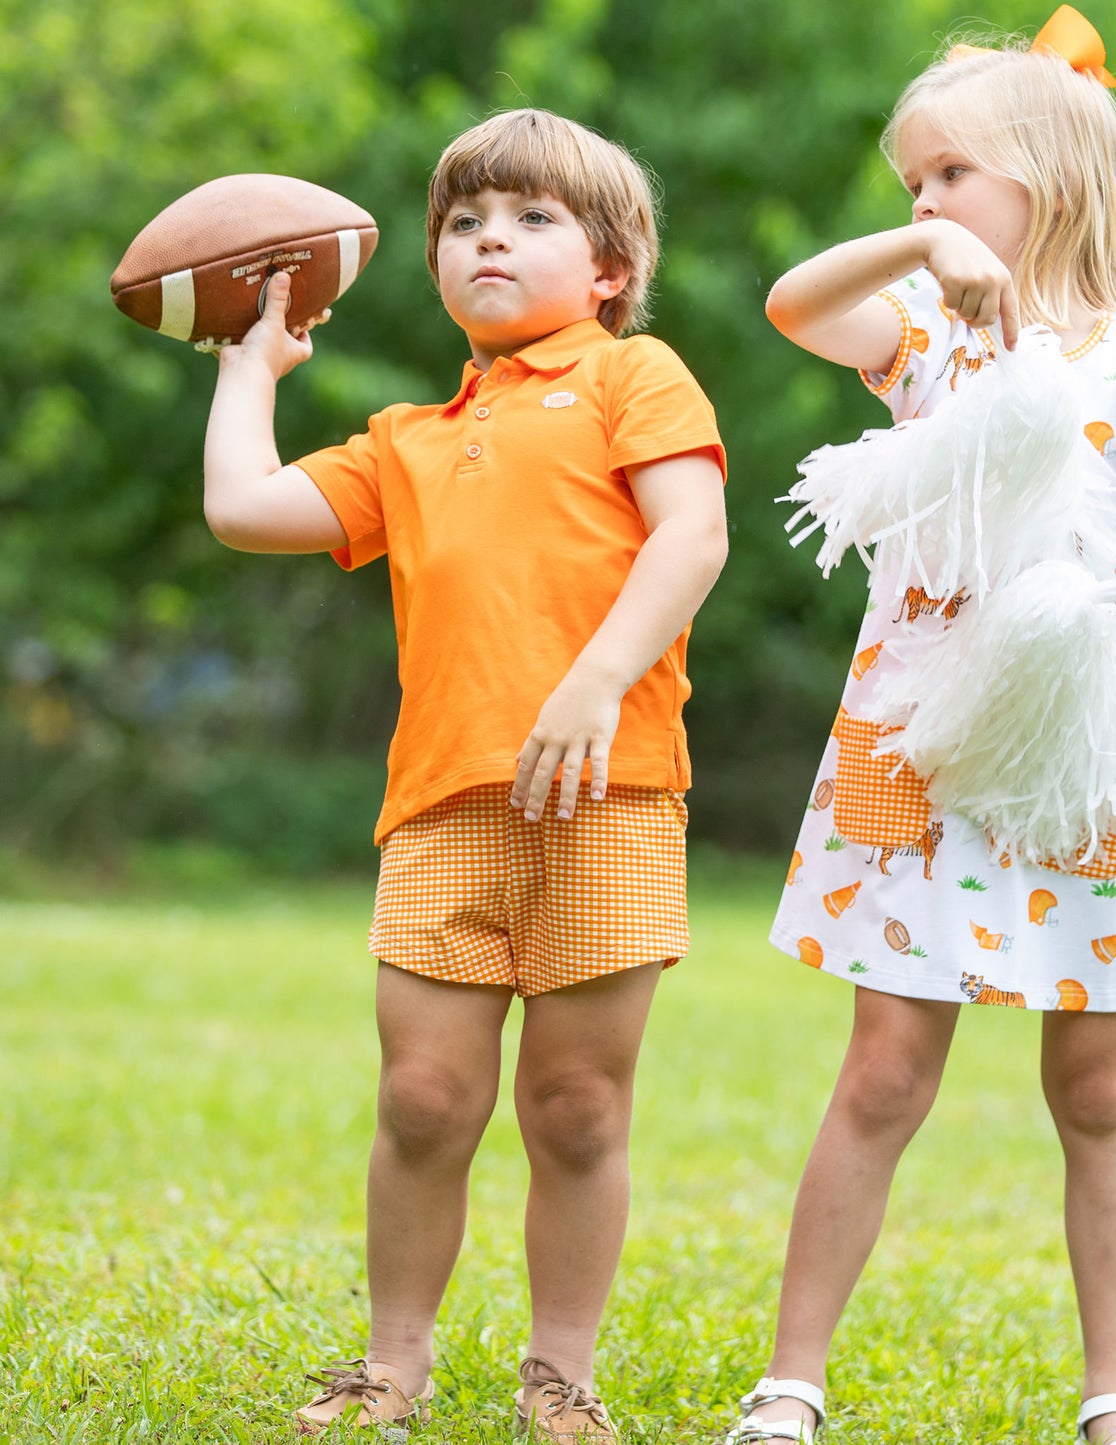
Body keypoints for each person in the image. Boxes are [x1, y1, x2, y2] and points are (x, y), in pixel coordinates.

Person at [731, 9, 1116, 1445]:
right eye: (910, 184)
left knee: (1096, 1079)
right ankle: (790, 1381)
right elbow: (793, 305)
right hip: (919, 738)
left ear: (1047, 181)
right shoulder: (926, 345)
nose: (923, 203)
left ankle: (1113, 1395)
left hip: (1088, 751)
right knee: (883, 1065)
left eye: (948, 178)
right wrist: (917, 252)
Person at [203, 108, 727, 1436]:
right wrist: (249, 361)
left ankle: (560, 1375)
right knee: (425, 1096)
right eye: (463, 222)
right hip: (444, 804)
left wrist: (594, 681)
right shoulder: (405, 439)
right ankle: (391, 1368)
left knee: (576, 1103)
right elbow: (240, 505)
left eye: (533, 218)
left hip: (610, 795)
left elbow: (693, 537)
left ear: (608, 269)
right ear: (433, 261)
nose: (489, 237)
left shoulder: (634, 375)